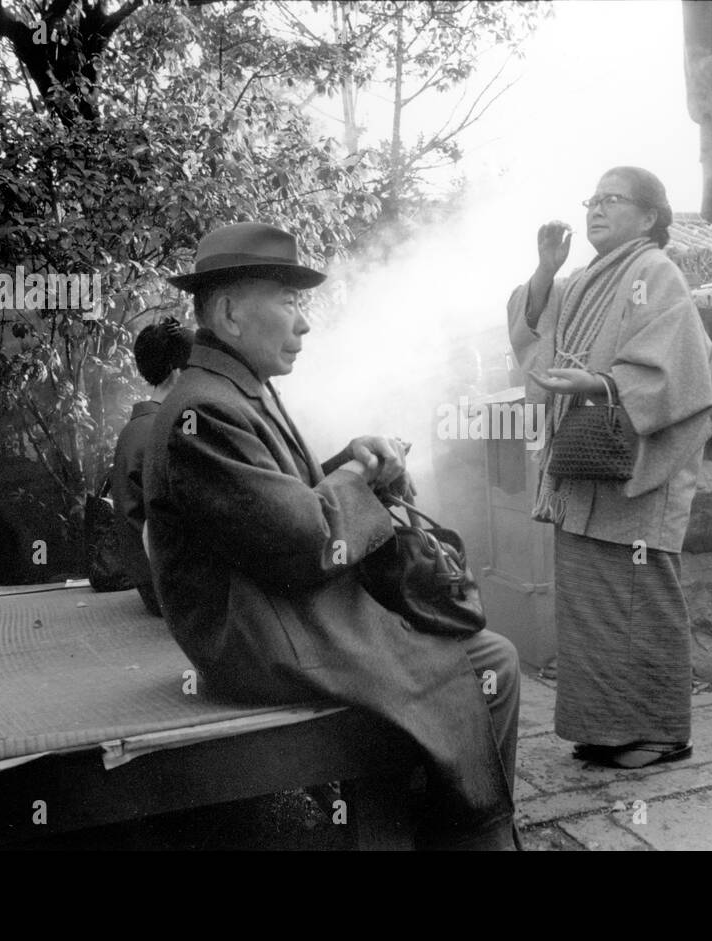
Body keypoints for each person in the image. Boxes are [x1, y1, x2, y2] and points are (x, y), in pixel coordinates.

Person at [144, 222, 521, 850]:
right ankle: (471, 838)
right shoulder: (205, 410)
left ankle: (442, 823)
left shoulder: (236, 391)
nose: (305, 324)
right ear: (233, 313)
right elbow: (305, 541)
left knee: (460, 656)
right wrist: (354, 474)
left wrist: (350, 458)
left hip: (276, 610)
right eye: (290, 302)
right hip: (257, 635)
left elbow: (269, 503)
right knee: (490, 664)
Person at [507, 167, 712, 769]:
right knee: (591, 602)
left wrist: (601, 384)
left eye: (612, 200)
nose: (596, 209)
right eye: (592, 200)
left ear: (649, 217)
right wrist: (545, 271)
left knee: (638, 595)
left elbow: (683, 368)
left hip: (636, 461)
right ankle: (605, 729)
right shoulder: (579, 281)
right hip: (586, 459)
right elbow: (533, 340)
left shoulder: (656, 273)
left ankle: (661, 734)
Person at [111, 318, 194, 616]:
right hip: (175, 589)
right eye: (193, 369)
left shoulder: (136, 429)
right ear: (176, 372)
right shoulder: (166, 431)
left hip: (152, 585)